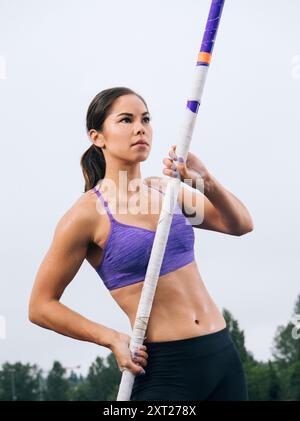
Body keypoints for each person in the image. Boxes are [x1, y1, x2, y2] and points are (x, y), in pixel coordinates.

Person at [29, 86, 253, 401]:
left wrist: (205, 179)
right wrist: (110, 338)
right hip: (167, 369)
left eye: (145, 119)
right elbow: (40, 306)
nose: (140, 128)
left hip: (222, 355)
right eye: (126, 120)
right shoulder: (85, 215)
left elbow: (240, 224)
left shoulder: (166, 190)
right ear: (98, 137)